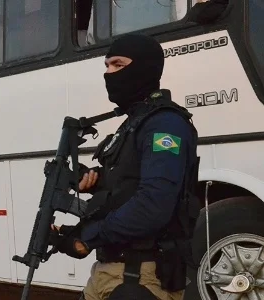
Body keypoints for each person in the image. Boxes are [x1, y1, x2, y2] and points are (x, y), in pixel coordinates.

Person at [48, 34, 200, 300]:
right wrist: (93, 180)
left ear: (145, 67)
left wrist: (88, 239)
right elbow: (126, 187)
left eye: (118, 65)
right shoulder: (133, 124)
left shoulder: (165, 124)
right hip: (108, 274)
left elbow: (153, 204)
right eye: (106, 66)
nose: (109, 73)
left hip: (140, 278)